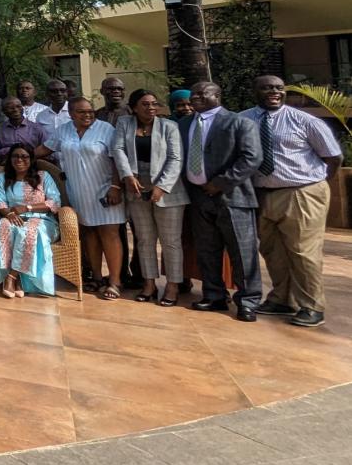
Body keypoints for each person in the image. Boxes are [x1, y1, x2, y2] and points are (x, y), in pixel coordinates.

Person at [244, 76, 339, 327]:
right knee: (272, 250)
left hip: (301, 192)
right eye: (266, 87)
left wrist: (316, 184)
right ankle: (282, 299)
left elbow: (333, 157)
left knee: (303, 251)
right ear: (255, 90)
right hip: (263, 194)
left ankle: (311, 305)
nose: (274, 92)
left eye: (278, 88)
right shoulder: (243, 119)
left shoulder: (305, 120)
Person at [182, 81, 262, 321]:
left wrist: (220, 183)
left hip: (232, 196)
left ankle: (248, 300)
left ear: (216, 95)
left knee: (242, 250)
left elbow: (251, 158)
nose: (194, 97)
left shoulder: (239, 122)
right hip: (198, 197)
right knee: (207, 250)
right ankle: (214, 295)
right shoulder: (184, 124)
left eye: (200, 93)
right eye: (192, 93)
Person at [40, 98, 126, 300]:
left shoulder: (106, 129)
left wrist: (115, 186)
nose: (88, 115)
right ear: (70, 113)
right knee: (89, 233)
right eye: (81, 112)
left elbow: (117, 158)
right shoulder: (63, 130)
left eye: (90, 111)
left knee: (109, 234)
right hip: (77, 191)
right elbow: (44, 149)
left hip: (105, 189)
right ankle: (97, 277)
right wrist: (17, 160)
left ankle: (114, 281)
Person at [115, 89, 189, 305]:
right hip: (135, 186)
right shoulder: (124, 123)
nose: (151, 108)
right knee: (145, 239)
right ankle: (149, 284)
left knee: (171, 241)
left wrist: (162, 187)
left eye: (154, 104)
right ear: (134, 107)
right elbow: (118, 149)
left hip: (168, 189)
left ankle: (173, 286)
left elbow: (176, 159)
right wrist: (127, 176)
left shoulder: (169, 126)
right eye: (145, 104)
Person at [0, 144, 62, 298]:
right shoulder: (2, 178)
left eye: (24, 156)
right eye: (15, 156)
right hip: (12, 217)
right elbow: (0, 202)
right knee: (2, 227)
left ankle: (12, 276)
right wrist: (8, 214)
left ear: (31, 159)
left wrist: (27, 208)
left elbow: (54, 202)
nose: (19, 160)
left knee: (28, 231)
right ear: (10, 159)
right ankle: (18, 280)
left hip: (43, 220)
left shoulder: (43, 177)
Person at [0, 96, 46, 160]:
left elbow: (45, 151)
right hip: (6, 165)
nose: (15, 110)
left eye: (18, 106)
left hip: (32, 164)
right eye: (11, 108)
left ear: (23, 108)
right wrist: (10, 150)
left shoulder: (37, 128)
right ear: (4, 111)